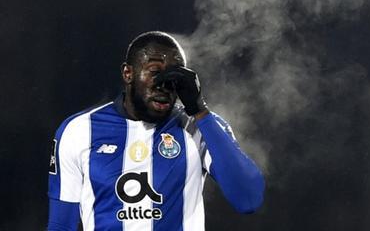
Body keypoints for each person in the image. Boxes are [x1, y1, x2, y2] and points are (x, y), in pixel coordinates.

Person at [47, 31, 265, 230]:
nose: (164, 84)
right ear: (128, 73)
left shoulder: (199, 126)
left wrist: (199, 110)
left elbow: (248, 199)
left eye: (174, 76)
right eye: (155, 72)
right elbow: (61, 225)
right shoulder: (78, 131)